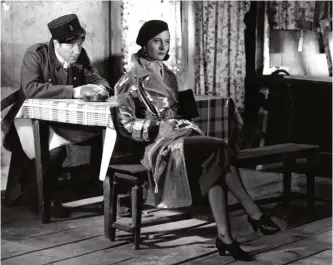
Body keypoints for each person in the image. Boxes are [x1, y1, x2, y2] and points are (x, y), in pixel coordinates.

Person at [114, 20, 281, 261]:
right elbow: (126, 125)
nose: (163, 46)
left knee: (217, 160)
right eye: (157, 41)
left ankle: (226, 236)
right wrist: (157, 125)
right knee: (220, 150)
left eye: (167, 41)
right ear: (144, 43)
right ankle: (251, 213)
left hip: (182, 135)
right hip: (157, 145)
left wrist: (182, 116)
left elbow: (182, 110)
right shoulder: (129, 80)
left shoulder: (169, 75)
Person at [2, 14, 112, 217]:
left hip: (58, 120)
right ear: (56, 43)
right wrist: (76, 91)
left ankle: (92, 190)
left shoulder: (80, 55)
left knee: (99, 136)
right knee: (52, 150)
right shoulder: (36, 54)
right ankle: (42, 199)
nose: (76, 51)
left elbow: (96, 79)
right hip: (27, 118)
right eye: (70, 46)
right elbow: (31, 89)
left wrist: (103, 89)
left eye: (80, 44)